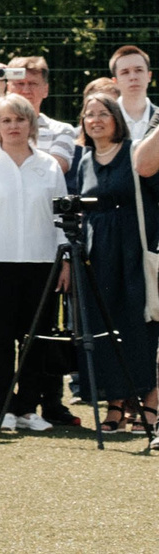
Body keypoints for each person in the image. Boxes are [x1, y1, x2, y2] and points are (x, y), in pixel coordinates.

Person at [0, 94, 65, 432]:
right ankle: (0, 405)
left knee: (35, 338)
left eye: (20, 119)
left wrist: (64, 263)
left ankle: (28, 408)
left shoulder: (48, 165)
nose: (14, 126)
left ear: (31, 124)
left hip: (42, 264)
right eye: (6, 120)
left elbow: (61, 219)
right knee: (2, 338)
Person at [67, 91, 155, 427]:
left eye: (104, 113)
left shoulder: (135, 153)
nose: (96, 120)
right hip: (98, 254)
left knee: (139, 325)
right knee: (104, 328)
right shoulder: (85, 159)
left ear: (116, 119)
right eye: (90, 114)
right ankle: (115, 406)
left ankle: (149, 405)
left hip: (134, 249)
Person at [7, 58, 76, 167]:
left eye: (33, 83)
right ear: (8, 88)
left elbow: (54, 170)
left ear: (45, 90)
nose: (26, 90)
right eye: (19, 83)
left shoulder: (61, 130)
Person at [110, 45, 156, 143]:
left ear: (149, 76)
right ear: (115, 81)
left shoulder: (157, 116)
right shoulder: (105, 120)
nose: (133, 77)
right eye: (125, 72)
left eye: (139, 70)